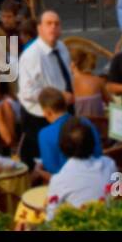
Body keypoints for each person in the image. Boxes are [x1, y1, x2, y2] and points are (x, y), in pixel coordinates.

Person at [16, 9, 74, 165]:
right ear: (39, 28)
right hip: (40, 115)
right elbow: (27, 92)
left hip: (63, 109)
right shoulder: (31, 55)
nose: (53, 27)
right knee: (42, 159)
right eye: (49, 24)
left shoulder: (62, 47)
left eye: (57, 24)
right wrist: (58, 95)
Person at [45, 117, 118, 221]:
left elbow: (51, 219)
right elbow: (120, 199)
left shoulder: (59, 179)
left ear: (62, 146)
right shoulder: (110, 164)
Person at [35, 87, 101, 176]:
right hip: (97, 174)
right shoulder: (86, 122)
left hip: (65, 184)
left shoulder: (45, 134)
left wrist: (39, 170)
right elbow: (98, 152)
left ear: (48, 112)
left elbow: (51, 169)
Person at [71, 47, 108, 119]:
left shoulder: (71, 82)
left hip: (79, 125)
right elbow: (110, 102)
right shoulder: (97, 81)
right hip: (98, 125)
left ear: (73, 65)